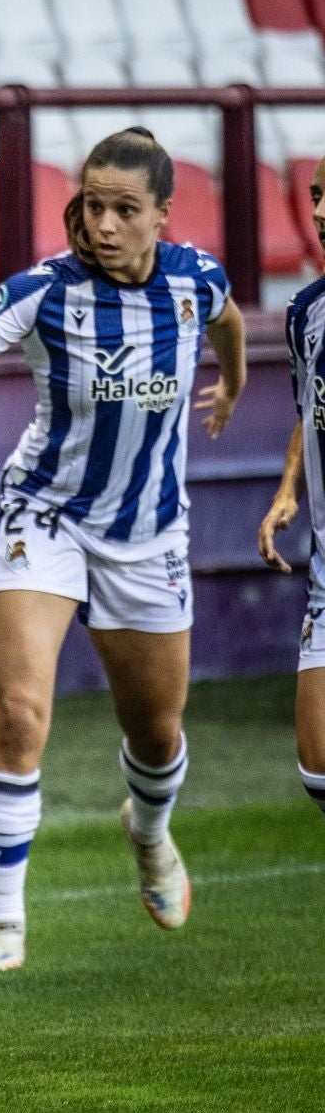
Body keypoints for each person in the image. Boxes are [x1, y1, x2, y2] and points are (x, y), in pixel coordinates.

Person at [0, 127, 247, 972]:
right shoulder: (45, 290)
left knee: (157, 729)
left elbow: (231, 320)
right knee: (20, 713)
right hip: (44, 514)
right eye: (91, 204)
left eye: (123, 209)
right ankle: (4, 926)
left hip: (148, 532)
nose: (102, 223)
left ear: (162, 216)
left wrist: (234, 381)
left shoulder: (195, 280)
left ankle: (150, 832)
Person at [256, 154, 325, 815]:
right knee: (318, 771)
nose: (321, 213)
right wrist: (287, 491)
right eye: (314, 195)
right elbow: (308, 411)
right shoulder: (307, 313)